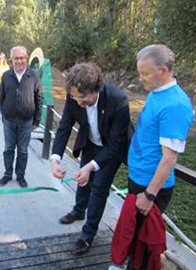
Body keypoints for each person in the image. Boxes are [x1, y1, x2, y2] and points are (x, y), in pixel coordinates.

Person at [123, 44, 193, 268]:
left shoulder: (175, 105)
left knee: (143, 246)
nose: (140, 78)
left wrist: (149, 195)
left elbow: (169, 158)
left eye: (145, 73)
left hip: (150, 188)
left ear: (163, 70)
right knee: (133, 238)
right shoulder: (157, 92)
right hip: (139, 179)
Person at [51, 62, 131, 255]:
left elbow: (114, 145)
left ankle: (88, 234)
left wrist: (92, 166)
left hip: (112, 149)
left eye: (83, 98)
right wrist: (55, 159)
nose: (78, 102)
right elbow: (64, 127)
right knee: (83, 180)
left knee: (99, 189)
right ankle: (79, 210)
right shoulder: (74, 96)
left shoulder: (118, 100)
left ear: (96, 89)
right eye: (74, 97)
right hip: (90, 142)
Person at [0, 46, 43, 188]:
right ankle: (7, 174)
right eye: (16, 58)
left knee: (23, 150)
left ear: (26, 58)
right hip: (9, 121)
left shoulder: (34, 75)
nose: (19, 61)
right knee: (8, 149)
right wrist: (4, 115)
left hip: (26, 122)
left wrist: (36, 120)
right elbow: (2, 97)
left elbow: (39, 98)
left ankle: (20, 175)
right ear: (12, 59)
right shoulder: (6, 76)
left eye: (22, 57)